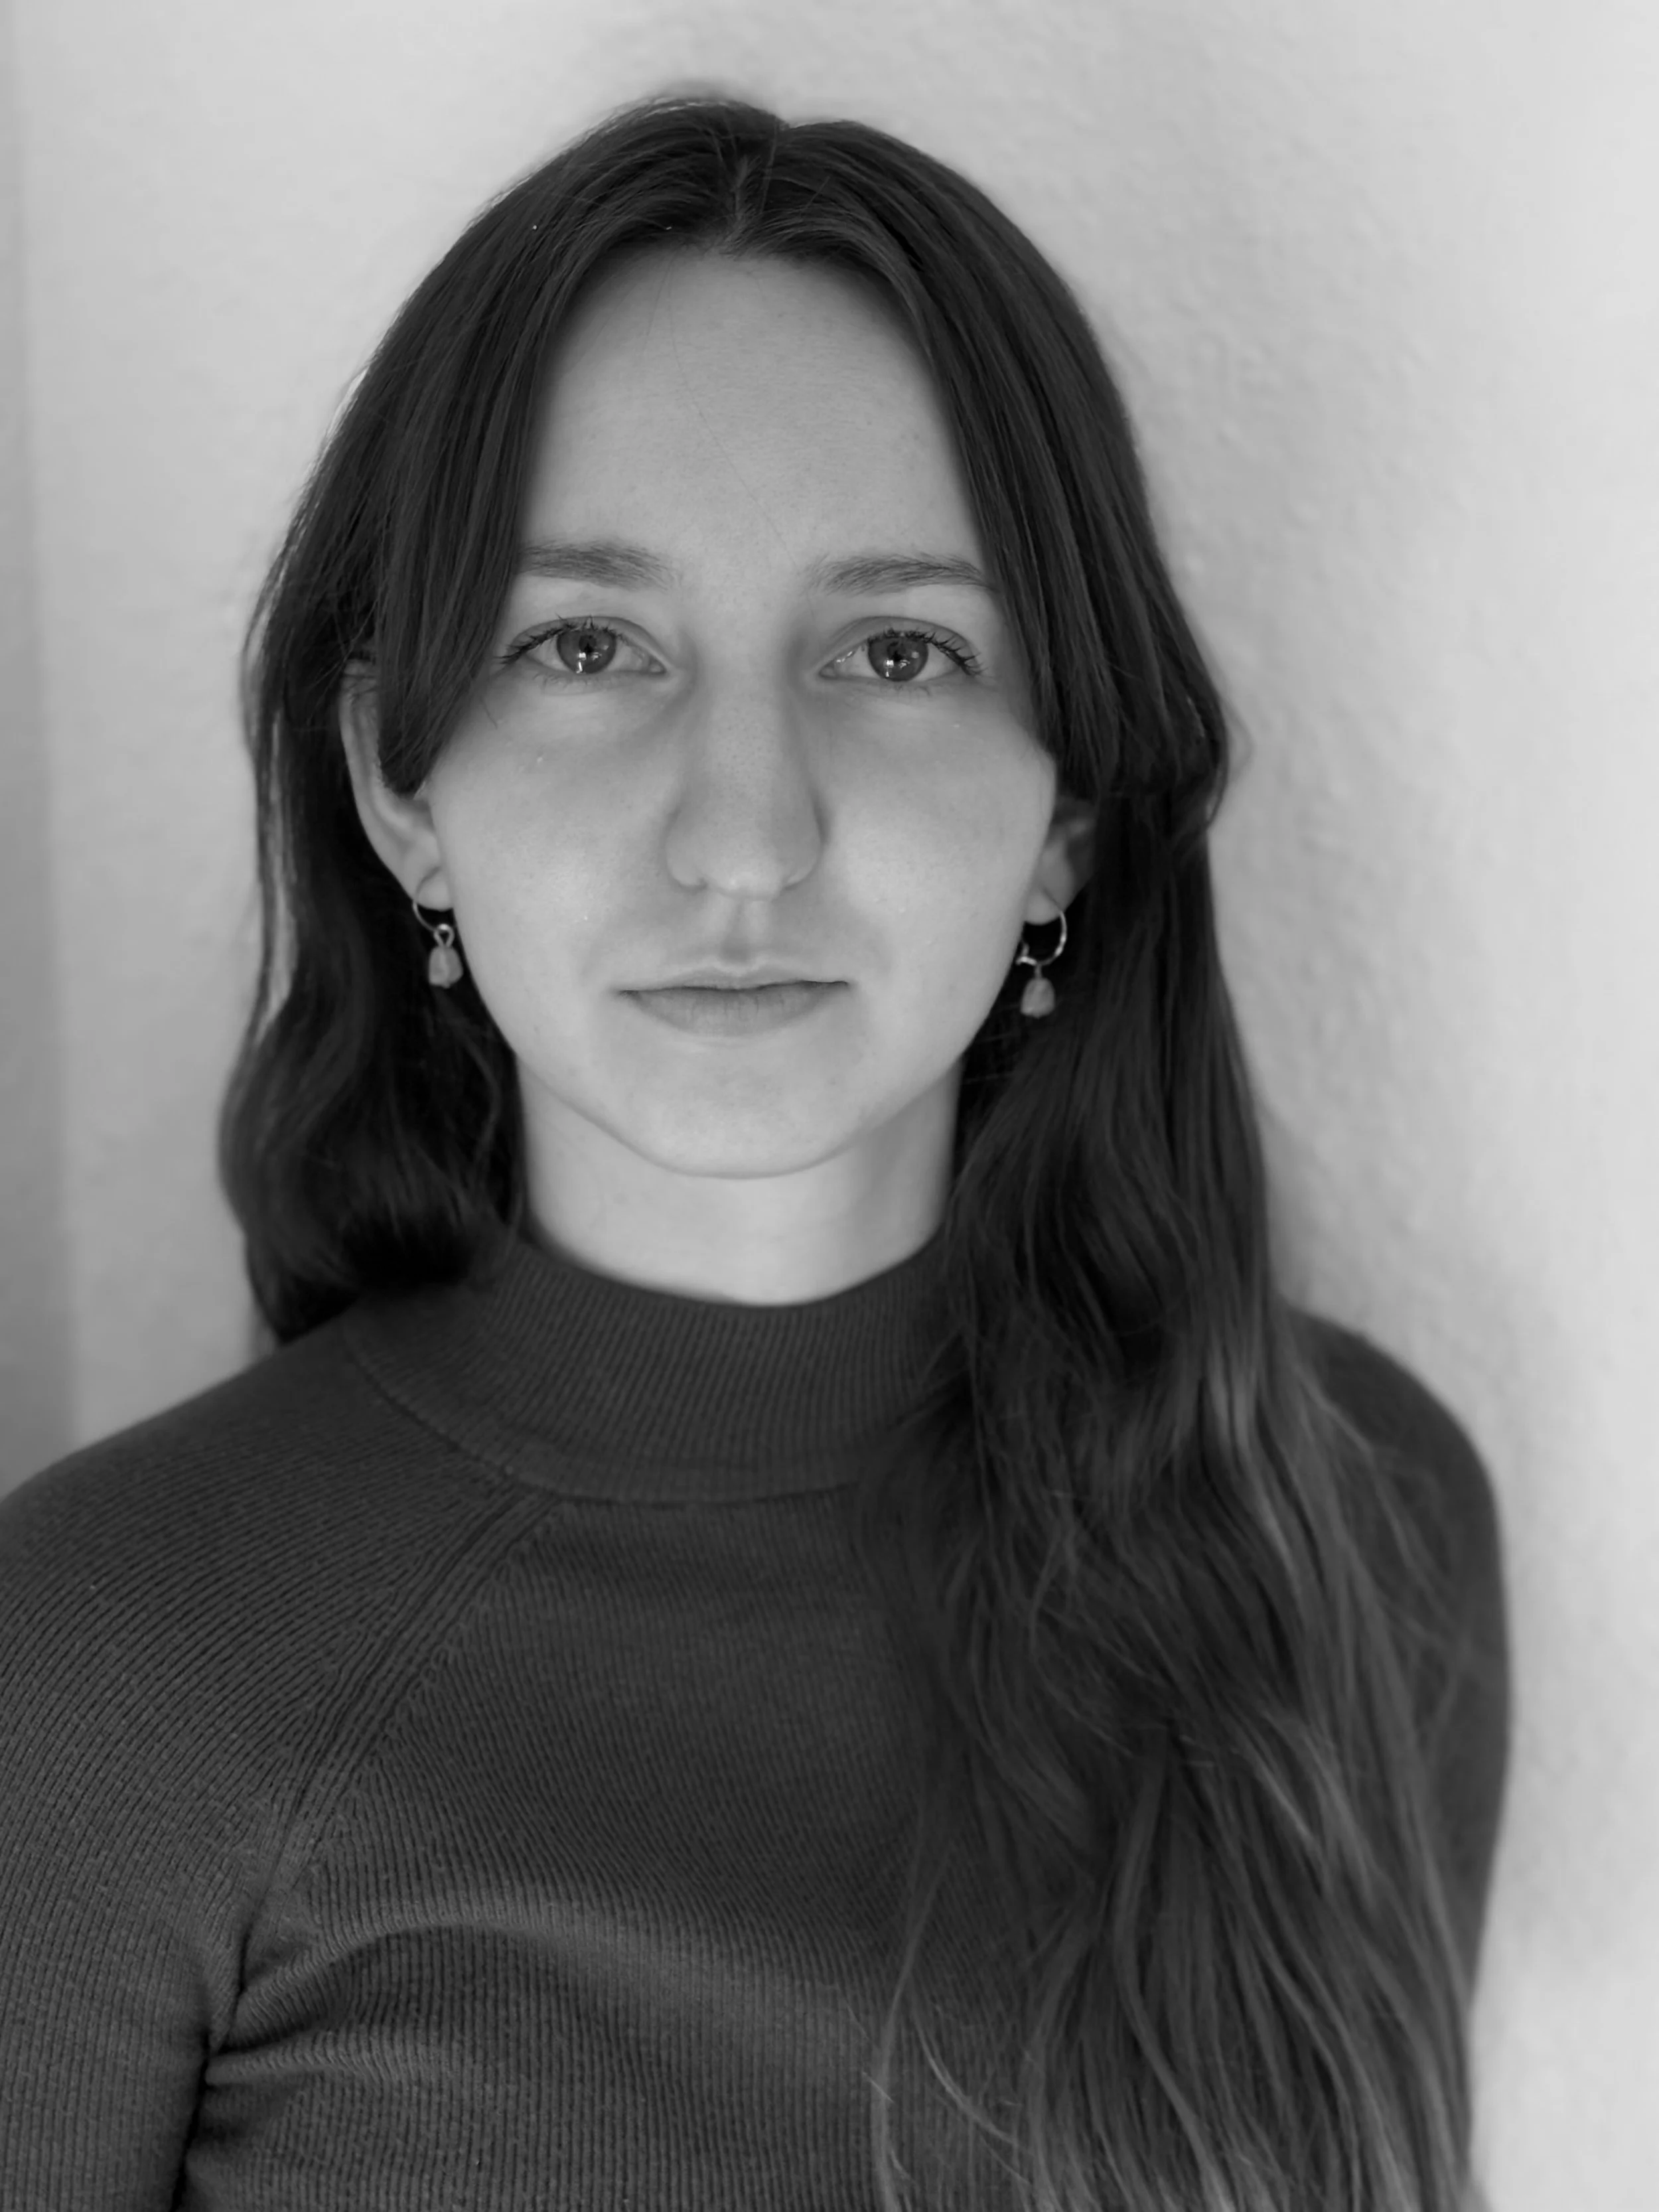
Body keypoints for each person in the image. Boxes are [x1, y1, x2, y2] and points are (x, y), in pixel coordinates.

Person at [0, 87, 1509, 2212]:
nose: (743, 835)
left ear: (1067, 807)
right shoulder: (102, 1666)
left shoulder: (1353, 1522)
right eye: (586, 645)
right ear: (400, 784)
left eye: (896, 650)